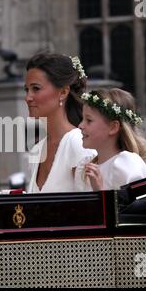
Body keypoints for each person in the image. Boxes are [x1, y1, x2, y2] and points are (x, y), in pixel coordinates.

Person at [24, 52, 96, 193]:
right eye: (26, 90)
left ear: (63, 92)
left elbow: (92, 206)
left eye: (36, 89)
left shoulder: (79, 143)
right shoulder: (37, 150)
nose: (28, 98)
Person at [74, 88, 146, 191]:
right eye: (82, 119)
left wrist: (100, 191)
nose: (80, 125)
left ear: (113, 127)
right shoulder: (84, 167)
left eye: (89, 120)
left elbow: (135, 206)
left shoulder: (126, 164)